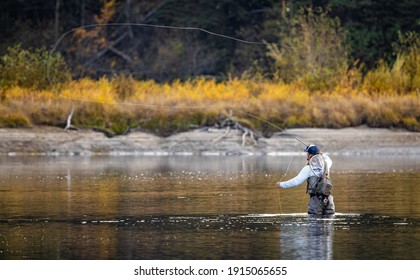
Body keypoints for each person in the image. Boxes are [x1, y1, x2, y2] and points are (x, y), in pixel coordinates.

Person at [276, 144, 335, 215]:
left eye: (307, 153)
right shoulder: (327, 164)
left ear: (310, 155)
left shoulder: (308, 168)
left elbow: (296, 182)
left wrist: (281, 184)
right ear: (318, 154)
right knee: (328, 223)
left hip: (315, 201)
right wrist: (322, 154)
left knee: (314, 222)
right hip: (328, 200)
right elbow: (328, 159)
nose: (306, 155)